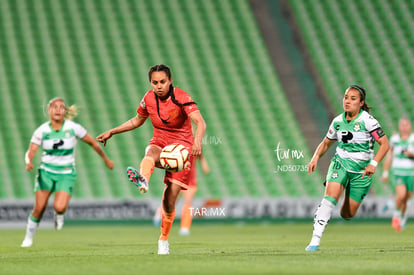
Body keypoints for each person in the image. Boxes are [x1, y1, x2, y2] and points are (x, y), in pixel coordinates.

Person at [96, 64, 206, 255]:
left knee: (169, 202)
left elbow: (200, 122)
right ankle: (144, 179)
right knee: (150, 154)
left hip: (181, 149)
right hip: (160, 142)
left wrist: (197, 142)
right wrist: (112, 131)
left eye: (162, 81)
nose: (159, 86)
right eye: (154, 82)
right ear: (150, 83)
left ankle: (163, 239)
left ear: (170, 81)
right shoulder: (148, 98)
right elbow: (136, 120)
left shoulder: (181, 97)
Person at [305, 85, 389, 252]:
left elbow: (384, 144)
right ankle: (314, 240)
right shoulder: (337, 121)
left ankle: (346, 193)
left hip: (361, 172)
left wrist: (373, 164)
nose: (347, 101)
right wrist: (315, 157)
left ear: (361, 103)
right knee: (329, 199)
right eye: (346, 97)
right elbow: (326, 142)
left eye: (353, 98)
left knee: (347, 214)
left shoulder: (367, 121)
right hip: (340, 163)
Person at [21, 97, 114, 248]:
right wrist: (29, 161)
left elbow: (92, 142)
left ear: (65, 111)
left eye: (61, 107)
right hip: (46, 171)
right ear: (49, 110)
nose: (58, 110)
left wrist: (106, 159)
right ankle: (28, 238)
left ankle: (59, 215)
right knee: (39, 208)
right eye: (54, 107)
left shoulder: (73, 128)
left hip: (66, 172)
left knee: (60, 207)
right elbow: (31, 150)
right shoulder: (42, 130)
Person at [153, 152, 210, 236]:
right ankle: (159, 215)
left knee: (188, 203)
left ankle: (185, 227)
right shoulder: (177, 141)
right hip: (177, 177)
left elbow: (201, 156)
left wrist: (203, 163)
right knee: (171, 201)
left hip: (190, 179)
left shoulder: (195, 144)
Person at [382, 117, 414, 231]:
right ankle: (396, 215)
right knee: (401, 194)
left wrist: (411, 154)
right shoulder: (394, 139)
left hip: (411, 174)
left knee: (406, 199)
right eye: (402, 125)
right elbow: (389, 156)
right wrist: (385, 172)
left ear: (410, 126)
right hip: (398, 173)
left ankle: (402, 219)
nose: (404, 127)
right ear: (399, 127)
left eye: (406, 125)